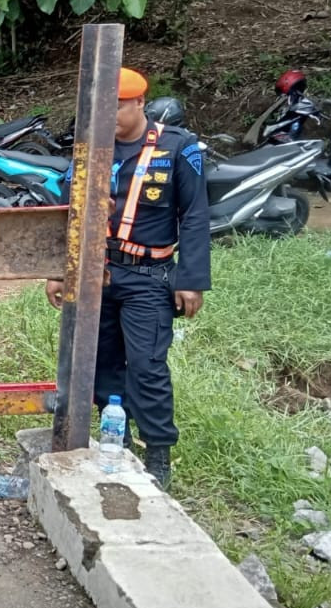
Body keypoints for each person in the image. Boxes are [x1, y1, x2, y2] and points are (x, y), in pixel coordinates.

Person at [44, 67, 211, 488]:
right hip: (96, 274)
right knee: (98, 360)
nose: (111, 116)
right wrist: (56, 272)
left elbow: (194, 216)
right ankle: (115, 438)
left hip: (150, 276)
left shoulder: (176, 148)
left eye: (118, 106)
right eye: (104, 108)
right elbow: (65, 215)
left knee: (147, 365)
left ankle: (158, 455)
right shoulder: (90, 149)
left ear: (140, 103)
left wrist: (190, 279)